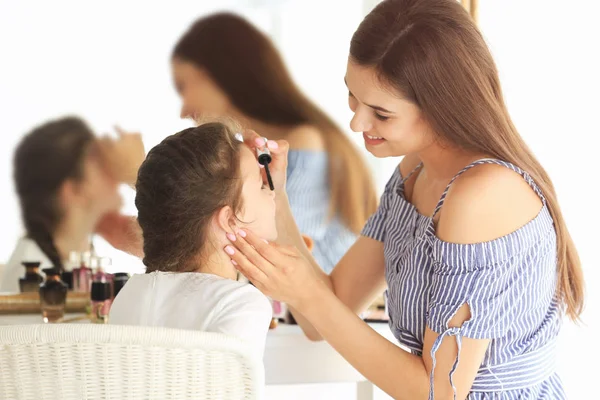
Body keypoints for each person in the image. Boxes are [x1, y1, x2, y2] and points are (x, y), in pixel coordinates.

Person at [223, 0, 584, 398]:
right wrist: (276, 196)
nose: (357, 123)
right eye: (353, 96)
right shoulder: (414, 170)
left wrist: (306, 291)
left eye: (381, 113)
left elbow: (438, 393)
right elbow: (325, 312)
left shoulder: (479, 196)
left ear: (442, 107)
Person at [170, 12, 377, 273]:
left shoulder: (305, 143)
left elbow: (261, 253)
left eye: (184, 86)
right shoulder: (259, 153)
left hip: (307, 308)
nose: (184, 110)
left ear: (221, 76)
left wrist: (145, 181)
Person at [109, 121, 273, 357]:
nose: (272, 191)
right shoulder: (241, 305)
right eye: (261, 185)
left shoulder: (129, 296)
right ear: (229, 219)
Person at [0, 116, 144, 293]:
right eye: (101, 164)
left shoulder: (75, 262)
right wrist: (139, 174)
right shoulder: (30, 277)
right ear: (72, 190)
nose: (114, 170)